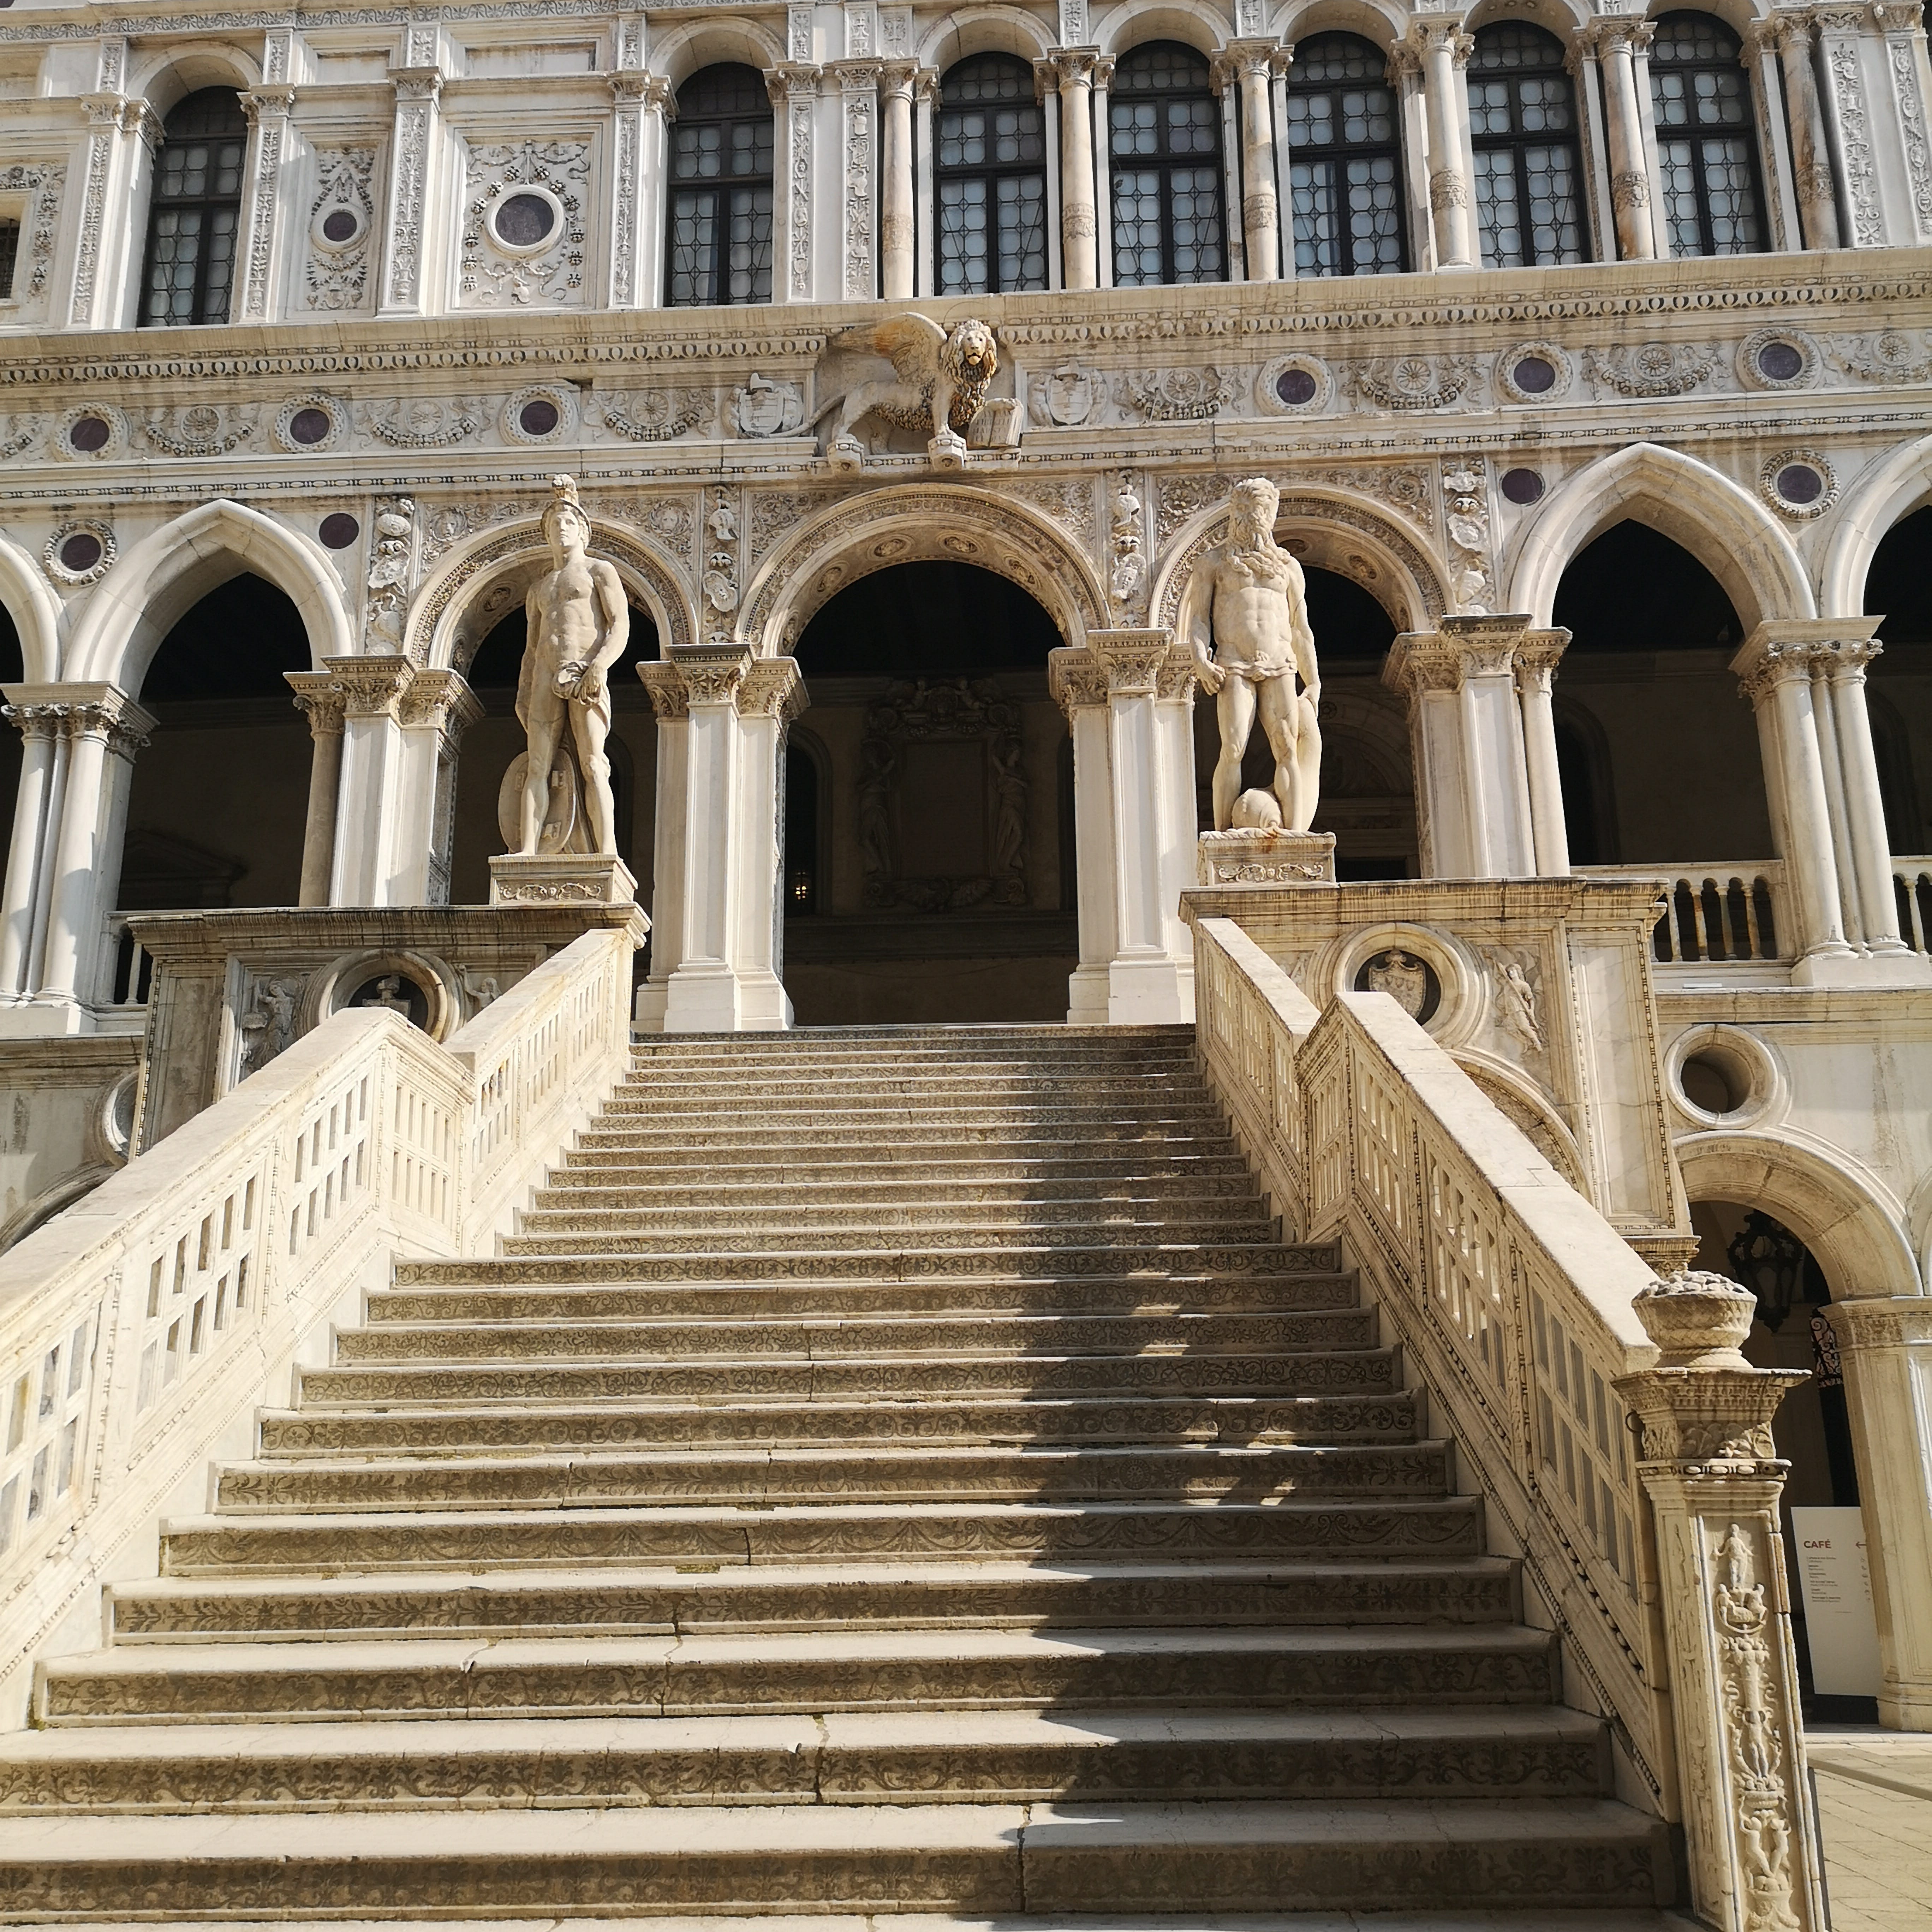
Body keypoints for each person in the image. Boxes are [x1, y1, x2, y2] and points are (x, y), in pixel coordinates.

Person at [1180, 477, 1322, 833]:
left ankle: (1294, 835)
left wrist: (1314, 680)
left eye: (1260, 510)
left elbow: (1300, 627)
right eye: (1244, 510)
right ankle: (1222, 835)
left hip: (1280, 662)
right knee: (1233, 748)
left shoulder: (1288, 566)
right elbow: (1199, 619)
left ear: (1272, 514)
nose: (1253, 518)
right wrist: (1200, 660)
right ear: (1234, 513)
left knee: (1287, 748)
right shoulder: (1213, 562)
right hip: (1233, 663)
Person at [517, 476, 628, 857]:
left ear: (583, 530)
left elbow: (620, 625)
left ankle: (608, 850)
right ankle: (528, 849)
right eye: (554, 525)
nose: (561, 529)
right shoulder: (540, 587)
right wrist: (523, 691)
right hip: (545, 675)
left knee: (594, 763)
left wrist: (600, 666)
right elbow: (531, 647)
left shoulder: (599, 571)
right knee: (537, 766)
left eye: (568, 522)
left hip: (584, 671)